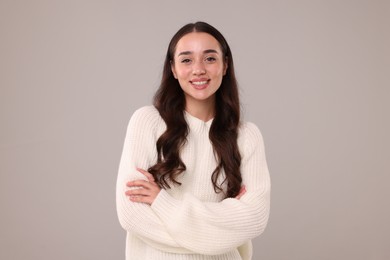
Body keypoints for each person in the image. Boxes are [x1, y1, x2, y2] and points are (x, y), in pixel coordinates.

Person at [116, 21, 271, 260]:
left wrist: (161, 202)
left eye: (209, 58)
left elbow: (255, 220)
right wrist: (220, 230)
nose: (198, 69)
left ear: (225, 65)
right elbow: (132, 216)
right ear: (174, 69)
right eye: (186, 60)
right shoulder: (147, 122)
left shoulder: (247, 136)